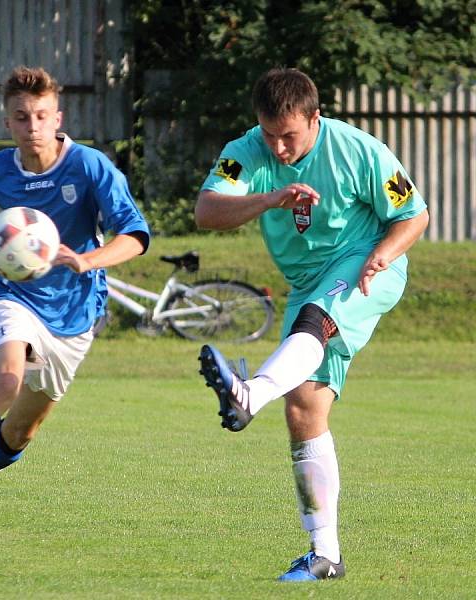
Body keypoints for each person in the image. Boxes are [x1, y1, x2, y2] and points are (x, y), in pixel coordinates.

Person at [195, 68, 428, 582]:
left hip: (365, 265)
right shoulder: (246, 150)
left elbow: (414, 213)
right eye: (269, 134)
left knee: (313, 321)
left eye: (290, 136)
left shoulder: (358, 149)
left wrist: (382, 256)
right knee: (303, 408)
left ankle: (250, 395)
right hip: (308, 285)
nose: (278, 148)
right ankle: (326, 556)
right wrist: (270, 198)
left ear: (314, 118)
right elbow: (207, 211)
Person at [0, 66, 150, 560]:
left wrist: (87, 259)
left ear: (57, 116)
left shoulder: (89, 167)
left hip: (74, 312)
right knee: (5, 380)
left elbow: (135, 235)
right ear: (8, 123)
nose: (33, 126)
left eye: (42, 115)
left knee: (22, 430)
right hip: (9, 295)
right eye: (22, 117)